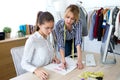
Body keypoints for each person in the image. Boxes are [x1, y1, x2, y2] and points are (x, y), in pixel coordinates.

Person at [21, 11, 60, 80]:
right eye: (47, 28)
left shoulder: (48, 36)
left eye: (52, 27)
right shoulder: (32, 40)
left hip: (48, 72)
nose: (50, 31)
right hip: (36, 75)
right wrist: (36, 70)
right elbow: (24, 63)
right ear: (39, 25)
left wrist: (52, 58)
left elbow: (45, 54)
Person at [54, 4, 84, 70]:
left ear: (76, 19)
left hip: (74, 39)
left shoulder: (78, 23)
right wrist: (63, 60)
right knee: (67, 56)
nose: (69, 21)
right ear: (65, 15)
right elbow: (61, 44)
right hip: (65, 40)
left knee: (75, 57)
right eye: (67, 17)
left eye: (72, 19)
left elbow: (78, 42)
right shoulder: (58, 26)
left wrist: (79, 61)